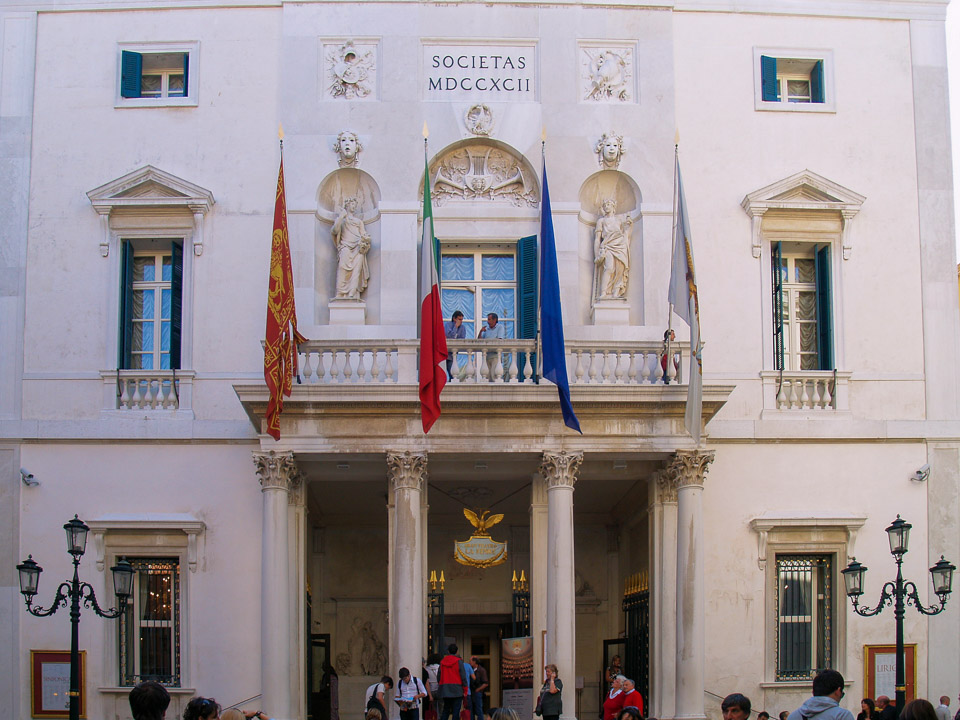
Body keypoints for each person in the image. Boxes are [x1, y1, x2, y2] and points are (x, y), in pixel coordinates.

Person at [331, 196, 371, 300]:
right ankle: (340, 293)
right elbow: (335, 231)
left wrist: (365, 240)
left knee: (356, 272)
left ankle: (352, 294)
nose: (354, 206)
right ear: (347, 205)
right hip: (345, 247)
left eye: (355, 204)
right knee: (342, 268)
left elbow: (363, 234)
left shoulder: (358, 222)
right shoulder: (342, 220)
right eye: (352, 204)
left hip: (358, 247)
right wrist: (341, 217)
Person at [593, 199, 631, 300]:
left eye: (608, 204)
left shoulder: (619, 220)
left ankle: (616, 292)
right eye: (604, 205)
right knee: (609, 268)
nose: (606, 206)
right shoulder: (601, 221)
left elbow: (625, 235)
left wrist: (628, 227)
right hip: (607, 246)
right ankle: (603, 292)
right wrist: (597, 255)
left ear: (613, 207)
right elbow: (597, 239)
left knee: (620, 269)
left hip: (620, 246)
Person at [787, 670, 854, 720]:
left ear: (813, 692)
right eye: (842, 694)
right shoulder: (842, 716)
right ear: (838, 691)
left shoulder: (794, 716)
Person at [437, 644, 469, 720]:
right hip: (457, 689)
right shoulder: (459, 662)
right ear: (457, 651)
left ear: (448, 651)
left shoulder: (442, 662)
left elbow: (439, 676)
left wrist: (442, 685)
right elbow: (463, 676)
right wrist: (465, 689)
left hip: (445, 689)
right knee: (456, 711)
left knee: (446, 710)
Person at [478, 313, 507, 379]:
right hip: (486, 356)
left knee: (494, 376)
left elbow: (499, 340)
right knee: (486, 377)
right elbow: (479, 341)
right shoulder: (486, 329)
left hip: (495, 356)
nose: (488, 321)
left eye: (489, 319)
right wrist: (480, 331)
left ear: (494, 320)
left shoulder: (500, 327)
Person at [445, 311, 466, 379]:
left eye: (462, 319)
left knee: (452, 373)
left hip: (452, 354)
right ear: (454, 319)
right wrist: (455, 327)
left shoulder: (463, 328)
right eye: (459, 319)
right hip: (444, 353)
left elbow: (461, 340)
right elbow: (448, 336)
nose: (461, 321)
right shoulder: (448, 325)